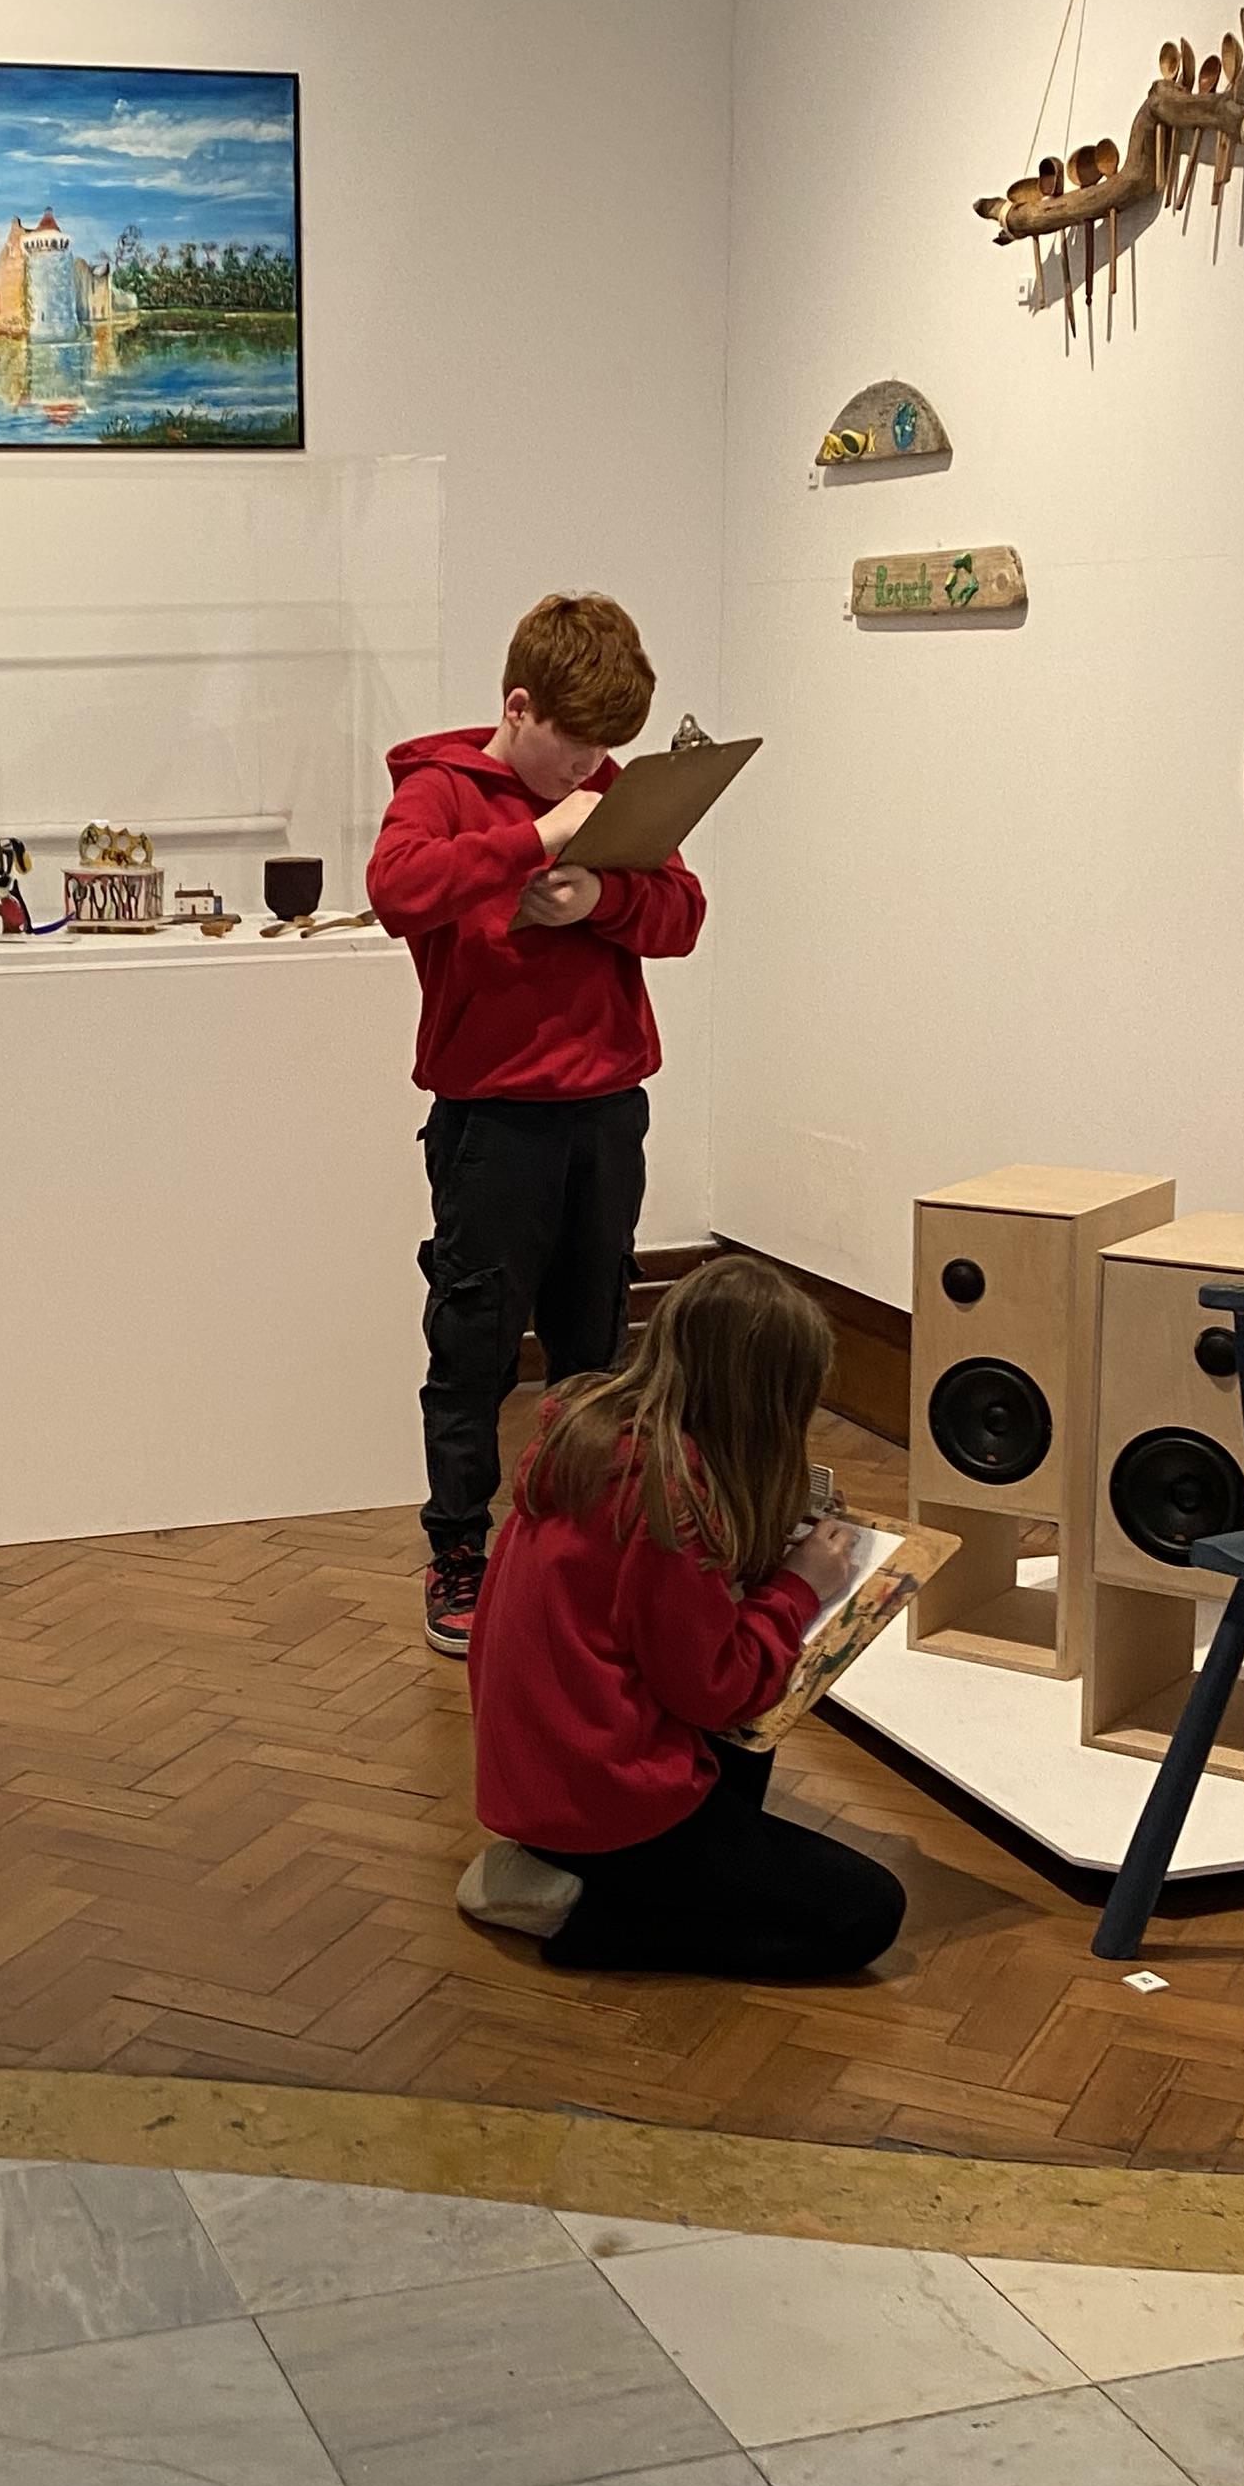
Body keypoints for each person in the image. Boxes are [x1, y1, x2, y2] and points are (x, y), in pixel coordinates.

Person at [365, 590, 706, 1659]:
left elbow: (684, 916)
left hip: (606, 1110)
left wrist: (601, 902)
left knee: (593, 1347)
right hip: (492, 1121)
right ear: (519, 709)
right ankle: (459, 1553)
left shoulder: (607, 787)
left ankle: (577, 1547)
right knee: (472, 1345)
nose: (591, 768)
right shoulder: (439, 788)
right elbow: (397, 890)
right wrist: (533, 839)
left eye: (606, 751)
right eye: (575, 747)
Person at [461, 1254, 905, 1980]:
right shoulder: (665, 1503)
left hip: (540, 1778)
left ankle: (589, 1872)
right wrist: (799, 1588)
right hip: (601, 1804)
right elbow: (718, 1691)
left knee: (756, 1746)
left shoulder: (595, 1438)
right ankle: (596, 1923)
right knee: (867, 1913)